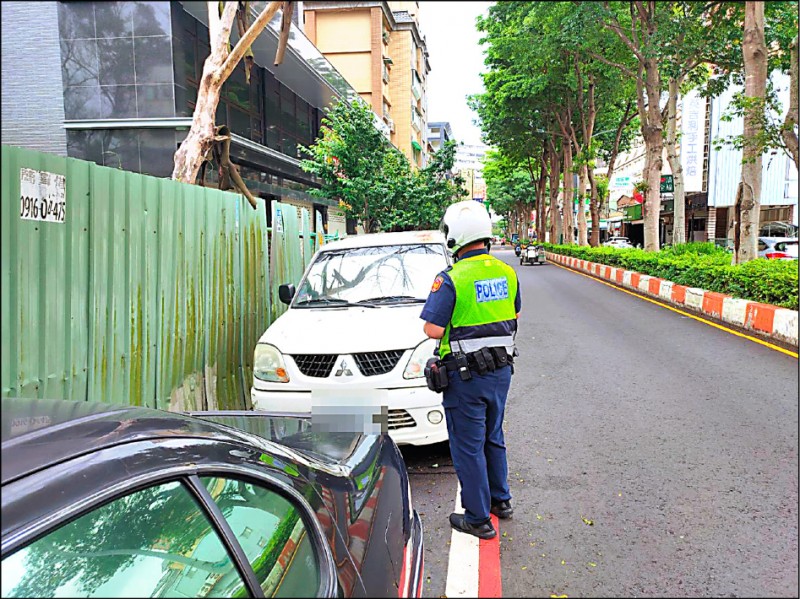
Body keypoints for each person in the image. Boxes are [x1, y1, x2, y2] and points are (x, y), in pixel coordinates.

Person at [420, 200, 521, 540]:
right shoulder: (507, 272)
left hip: (465, 378)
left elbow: (432, 329)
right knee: (494, 436)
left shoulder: (451, 278)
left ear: (455, 237)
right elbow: (514, 315)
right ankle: (500, 501)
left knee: (467, 446)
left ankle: (477, 518)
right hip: (501, 372)